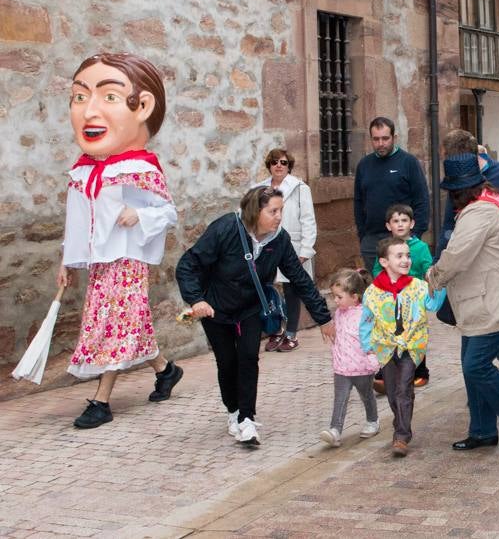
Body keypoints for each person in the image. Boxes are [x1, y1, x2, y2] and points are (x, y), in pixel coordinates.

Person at [58, 53, 183, 429]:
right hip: (101, 261)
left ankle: (101, 400)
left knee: (111, 324)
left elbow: (168, 212)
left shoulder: (140, 168)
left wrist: (140, 215)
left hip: (126, 260)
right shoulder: (84, 170)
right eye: (79, 97)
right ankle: (165, 370)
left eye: (108, 97)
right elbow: (77, 221)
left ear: (142, 107)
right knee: (129, 324)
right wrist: (66, 261)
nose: (88, 110)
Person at [175, 186, 335, 446]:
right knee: (227, 363)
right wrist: (197, 299)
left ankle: (247, 418)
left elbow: (300, 279)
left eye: (280, 210)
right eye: (273, 211)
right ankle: (233, 412)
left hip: (250, 309)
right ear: (255, 211)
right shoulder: (226, 228)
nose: (279, 216)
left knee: (248, 358)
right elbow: (188, 265)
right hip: (216, 308)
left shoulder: (279, 240)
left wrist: (324, 317)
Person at [426, 154, 499, 452]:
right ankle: (482, 430)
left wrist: (433, 275)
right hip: (482, 302)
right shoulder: (483, 208)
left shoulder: (478, 214)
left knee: (476, 366)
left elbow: (456, 256)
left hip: (493, 303)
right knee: (471, 366)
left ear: (458, 192)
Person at [439, 130, 499, 387]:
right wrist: (442, 262)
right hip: (468, 273)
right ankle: (479, 394)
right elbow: (449, 225)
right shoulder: (456, 181)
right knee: (471, 333)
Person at [359, 236, 445, 457]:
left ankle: (401, 436)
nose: (406, 260)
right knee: (392, 392)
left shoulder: (417, 287)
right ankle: (401, 423)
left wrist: (442, 286)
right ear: (384, 262)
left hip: (411, 346)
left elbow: (433, 304)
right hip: (385, 348)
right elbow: (367, 319)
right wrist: (366, 344)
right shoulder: (373, 292)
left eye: (408, 255)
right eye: (399, 256)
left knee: (404, 388)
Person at [255, 149, 316, 353]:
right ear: (269, 165)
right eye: (274, 162)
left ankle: (291, 334)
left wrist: (306, 249)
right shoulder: (259, 189)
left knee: (292, 289)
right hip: (266, 245)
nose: (278, 165)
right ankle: (275, 330)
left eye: (283, 162)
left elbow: (308, 219)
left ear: (289, 165)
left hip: (293, 245)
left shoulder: (300, 188)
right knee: (267, 289)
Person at [371, 203, 433, 393]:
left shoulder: (420, 247)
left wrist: (425, 286)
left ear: (412, 223)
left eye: (404, 220)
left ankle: (420, 372)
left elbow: (428, 269)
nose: (400, 224)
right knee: (388, 334)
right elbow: (376, 269)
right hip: (390, 300)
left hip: (413, 301)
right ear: (389, 225)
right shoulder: (384, 247)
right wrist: (382, 285)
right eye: (395, 221)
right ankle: (384, 374)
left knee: (415, 335)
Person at [353, 117, 429, 270]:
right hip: (372, 240)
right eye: (376, 139)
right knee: (379, 288)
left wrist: (414, 235)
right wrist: (363, 236)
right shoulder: (364, 165)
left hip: (402, 239)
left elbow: (422, 200)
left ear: (394, 138)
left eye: (385, 138)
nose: (380, 143)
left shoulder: (408, 162)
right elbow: (358, 201)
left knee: (403, 287)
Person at [320, 268, 381, 447]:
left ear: (354, 297)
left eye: (339, 297)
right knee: (340, 398)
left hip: (362, 367)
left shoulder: (366, 314)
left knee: (367, 395)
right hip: (342, 367)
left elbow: (372, 338)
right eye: (334, 296)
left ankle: (373, 421)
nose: (335, 301)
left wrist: (373, 358)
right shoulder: (339, 313)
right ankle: (335, 430)